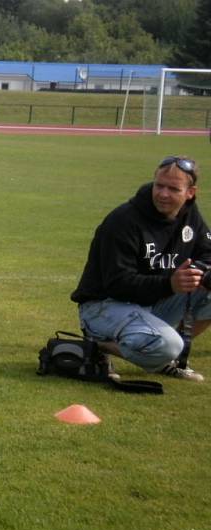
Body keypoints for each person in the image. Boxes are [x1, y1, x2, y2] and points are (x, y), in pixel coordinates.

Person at [71, 155, 210, 382]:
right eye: (159, 185)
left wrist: (198, 272)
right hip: (104, 306)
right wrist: (170, 284)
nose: (163, 194)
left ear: (190, 193)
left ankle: (160, 356)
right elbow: (117, 284)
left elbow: (207, 251)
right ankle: (98, 346)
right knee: (169, 345)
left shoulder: (189, 215)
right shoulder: (124, 221)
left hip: (151, 302)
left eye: (173, 189)